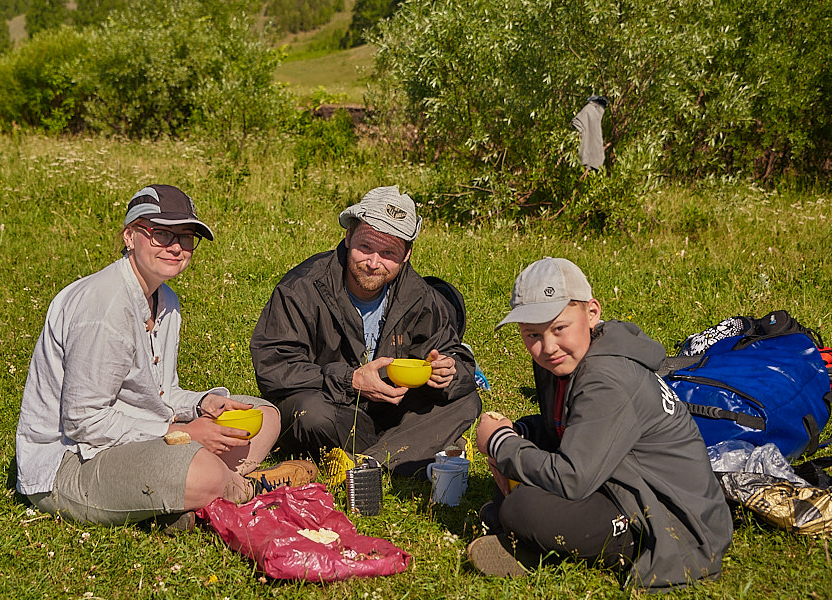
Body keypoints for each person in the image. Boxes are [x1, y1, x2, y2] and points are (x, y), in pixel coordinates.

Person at [15, 185, 315, 530]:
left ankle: (193, 498)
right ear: (130, 236)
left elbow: (162, 395)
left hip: (134, 439)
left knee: (264, 415)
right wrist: (183, 434)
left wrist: (203, 405)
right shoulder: (104, 307)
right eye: (161, 234)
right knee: (202, 471)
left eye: (186, 238)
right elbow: (84, 422)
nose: (176, 247)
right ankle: (243, 489)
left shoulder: (165, 300)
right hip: (70, 464)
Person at [468, 257, 733, 591]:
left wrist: (501, 444)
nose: (548, 346)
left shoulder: (607, 377)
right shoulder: (564, 360)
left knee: (521, 506)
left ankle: (533, 550)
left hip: (671, 521)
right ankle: (533, 542)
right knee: (516, 487)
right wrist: (521, 432)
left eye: (559, 328)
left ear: (592, 313)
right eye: (532, 334)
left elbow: (573, 479)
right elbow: (566, 428)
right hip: (620, 483)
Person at [250, 186, 482, 480]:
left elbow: (457, 357)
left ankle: (367, 464)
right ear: (348, 237)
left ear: (407, 255)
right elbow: (273, 367)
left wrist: (449, 370)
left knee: (467, 400)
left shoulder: (421, 296)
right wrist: (351, 380)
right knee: (307, 413)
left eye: (388, 254)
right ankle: (420, 448)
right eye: (365, 248)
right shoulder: (302, 288)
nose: (373, 263)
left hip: (395, 409)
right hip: (334, 407)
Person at [571, 95, 608, 176]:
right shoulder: (589, 109)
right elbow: (578, 123)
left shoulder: (597, 113)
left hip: (589, 161)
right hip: (581, 156)